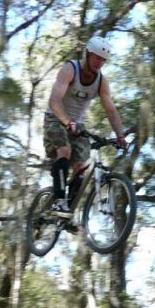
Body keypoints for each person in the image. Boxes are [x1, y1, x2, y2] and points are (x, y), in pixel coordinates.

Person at [44, 36, 127, 219]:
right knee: (64, 150)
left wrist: (120, 136)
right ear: (88, 54)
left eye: (103, 60)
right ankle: (59, 201)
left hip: (77, 125)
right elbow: (54, 100)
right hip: (55, 118)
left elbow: (111, 111)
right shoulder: (69, 70)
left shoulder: (101, 82)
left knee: (82, 167)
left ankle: (68, 214)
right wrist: (67, 122)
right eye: (97, 57)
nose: (100, 63)